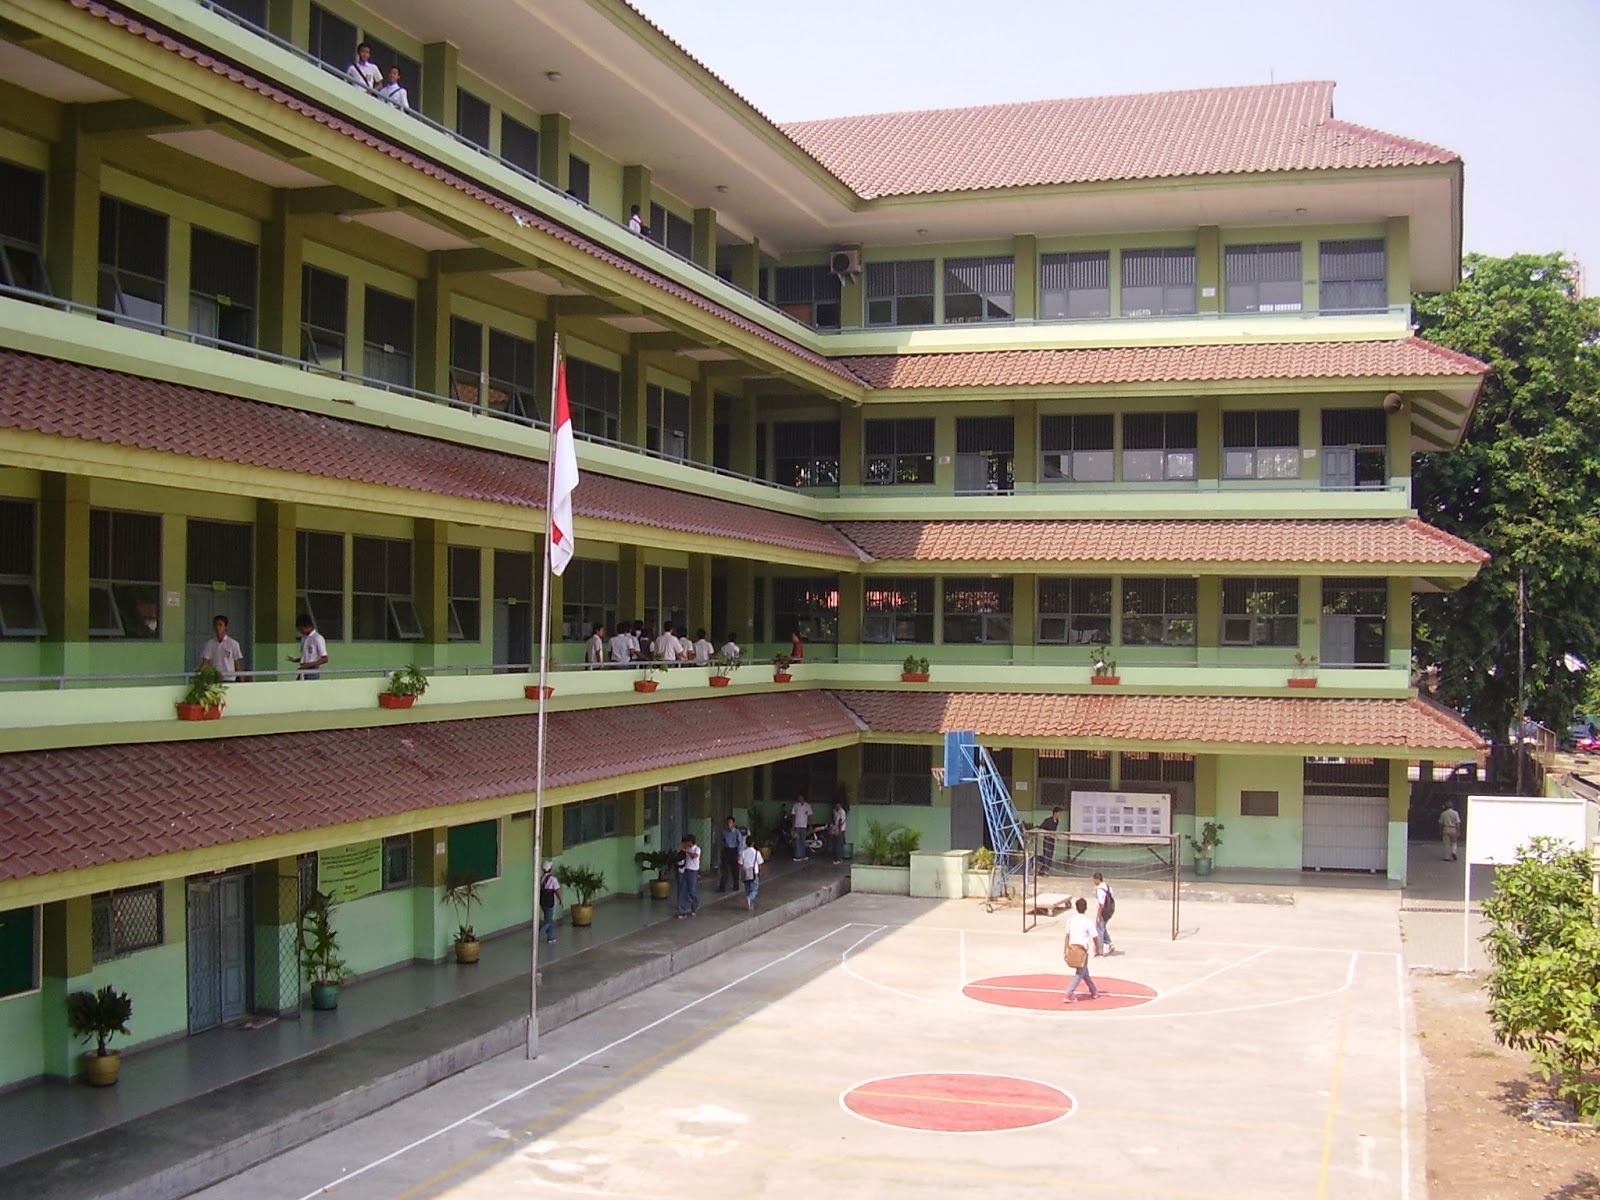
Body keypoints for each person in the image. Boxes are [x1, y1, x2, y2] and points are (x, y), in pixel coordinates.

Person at [1063, 896, 1100, 1003]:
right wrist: (1098, 949)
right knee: (1080, 972)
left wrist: (1065, 950)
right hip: (1082, 950)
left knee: (1084, 971)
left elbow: (1067, 936)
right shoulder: (1088, 922)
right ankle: (1069, 993)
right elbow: (1095, 937)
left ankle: (1094, 990)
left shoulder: (1070, 920)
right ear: (1086, 908)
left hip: (1071, 948)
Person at [198, 613, 245, 682]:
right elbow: (205, 662)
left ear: (226, 627)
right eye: (215, 625)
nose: (217, 627)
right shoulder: (210, 644)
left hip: (229, 679)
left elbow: (237, 664)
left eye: (220, 625)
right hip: (214, 678)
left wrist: (242, 682)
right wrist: (199, 677)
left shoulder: (233, 643)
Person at [288, 613, 328, 679]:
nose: (300, 631)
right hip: (303, 668)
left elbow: (325, 659)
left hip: (312, 670)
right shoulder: (304, 638)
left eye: (301, 629)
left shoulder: (317, 638)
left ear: (308, 626)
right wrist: (296, 660)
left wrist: (308, 665)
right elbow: (308, 656)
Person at [675, 835, 701, 917]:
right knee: (683, 890)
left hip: (693, 872)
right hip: (685, 871)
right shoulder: (686, 849)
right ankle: (682, 910)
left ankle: (695, 905)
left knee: (692, 891)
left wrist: (687, 851)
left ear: (690, 842)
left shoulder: (697, 849)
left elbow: (694, 856)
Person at [1093, 871, 1116, 956]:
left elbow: (1101, 904)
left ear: (1097, 879)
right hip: (1109, 911)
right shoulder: (1109, 888)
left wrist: (1098, 916)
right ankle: (1110, 943)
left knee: (1099, 929)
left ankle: (1099, 950)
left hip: (1103, 912)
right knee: (1102, 928)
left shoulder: (1100, 890)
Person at [717, 816, 742, 893]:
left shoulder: (737, 832)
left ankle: (736, 884)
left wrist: (739, 853)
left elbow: (740, 843)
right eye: (727, 823)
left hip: (734, 850)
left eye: (730, 822)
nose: (728, 824)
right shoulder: (724, 832)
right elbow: (722, 841)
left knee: (735, 869)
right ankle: (722, 886)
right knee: (725, 869)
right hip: (726, 850)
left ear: (733, 823)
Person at [538, 860, 561, 943]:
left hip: (542, 900)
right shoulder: (553, 879)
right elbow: (557, 890)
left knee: (548, 918)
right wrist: (560, 899)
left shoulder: (541, 878)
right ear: (550, 869)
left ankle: (551, 937)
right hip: (549, 900)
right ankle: (539, 932)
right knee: (549, 920)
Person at [739, 835, 764, 911]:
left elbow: (740, 864)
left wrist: (742, 871)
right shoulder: (757, 853)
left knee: (748, 889)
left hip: (746, 873)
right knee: (754, 890)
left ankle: (750, 905)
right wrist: (760, 871)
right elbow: (760, 863)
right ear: (753, 843)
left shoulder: (743, 853)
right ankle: (749, 898)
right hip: (754, 873)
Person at [1039, 805, 1063, 873]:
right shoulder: (1047, 820)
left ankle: (1045, 869)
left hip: (1052, 840)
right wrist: (1047, 833)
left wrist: (1056, 836)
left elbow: (1054, 830)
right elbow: (1041, 828)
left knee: (1050, 855)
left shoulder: (1057, 821)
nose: (1060, 815)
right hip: (1047, 839)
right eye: (1059, 813)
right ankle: (1043, 869)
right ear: (1055, 813)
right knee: (1047, 854)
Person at [790, 793, 813, 862]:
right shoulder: (795, 806)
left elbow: (809, 817)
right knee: (797, 841)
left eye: (801, 797)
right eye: (799, 797)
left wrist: (810, 826)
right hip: (797, 826)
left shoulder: (807, 806)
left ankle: (803, 855)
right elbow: (793, 816)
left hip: (804, 826)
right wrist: (793, 826)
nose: (799, 798)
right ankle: (798, 856)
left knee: (803, 841)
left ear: (803, 798)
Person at [829, 799, 848, 864]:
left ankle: (838, 859)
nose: (837, 807)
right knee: (836, 844)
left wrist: (839, 831)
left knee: (838, 845)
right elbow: (835, 821)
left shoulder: (842, 812)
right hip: (836, 828)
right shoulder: (836, 811)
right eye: (836, 806)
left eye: (838, 805)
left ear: (841, 805)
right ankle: (838, 858)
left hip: (840, 829)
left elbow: (840, 822)